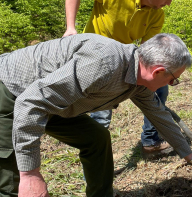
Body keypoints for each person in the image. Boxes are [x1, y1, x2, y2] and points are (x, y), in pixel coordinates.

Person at [0, 33, 192, 197]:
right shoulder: (104, 62)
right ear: (158, 71)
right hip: (12, 91)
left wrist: (191, 156)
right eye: (173, 80)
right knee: (11, 178)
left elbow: (160, 115)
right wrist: (30, 174)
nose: (171, 85)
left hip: (52, 101)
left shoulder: (137, 81)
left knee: (97, 139)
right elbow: (30, 102)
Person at [63, 0, 173, 155]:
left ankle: (151, 142)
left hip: (123, 60)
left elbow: (145, 51)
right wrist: (70, 27)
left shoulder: (156, 15)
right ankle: (95, 168)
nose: (168, 4)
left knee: (160, 87)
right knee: (101, 116)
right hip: (95, 57)